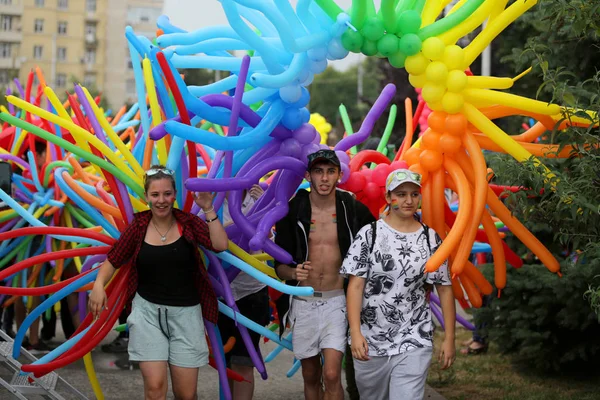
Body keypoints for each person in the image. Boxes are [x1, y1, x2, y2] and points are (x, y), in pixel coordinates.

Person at [89, 165, 228, 400]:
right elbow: (113, 259)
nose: (161, 200)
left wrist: (208, 208)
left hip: (186, 316)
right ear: (146, 198)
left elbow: (220, 244)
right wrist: (98, 285)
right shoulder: (139, 227)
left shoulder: (189, 223)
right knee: (154, 389)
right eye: (155, 195)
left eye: (166, 194)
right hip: (147, 315)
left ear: (174, 195)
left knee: (186, 394)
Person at [342, 168, 456, 400]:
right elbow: (355, 286)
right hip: (371, 340)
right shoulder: (369, 234)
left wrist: (450, 338)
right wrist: (355, 332)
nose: (408, 200)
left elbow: (444, 289)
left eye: (414, 194)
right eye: (401, 194)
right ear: (388, 197)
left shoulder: (430, 239)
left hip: (414, 336)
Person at [274, 149, 375, 400]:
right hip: (303, 302)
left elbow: (377, 241)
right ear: (308, 175)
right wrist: (293, 270)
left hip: (337, 301)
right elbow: (279, 267)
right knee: (311, 374)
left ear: (339, 175)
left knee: (331, 374)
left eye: (330, 171)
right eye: (318, 171)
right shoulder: (293, 210)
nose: (324, 178)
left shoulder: (352, 208)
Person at [218, 184, 271, 400]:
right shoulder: (213, 202)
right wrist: (242, 222)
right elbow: (206, 238)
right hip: (221, 292)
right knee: (227, 361)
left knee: (243, 361)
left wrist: (263, 210)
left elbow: (269, 247)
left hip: (252, 293)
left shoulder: (259, 198)